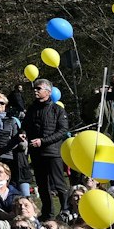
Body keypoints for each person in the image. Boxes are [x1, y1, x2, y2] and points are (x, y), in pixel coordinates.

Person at [21, 79, 72, 218]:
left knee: (59, 184)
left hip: (52, 152)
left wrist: (43, 141)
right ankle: (47, 213)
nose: (35, 91)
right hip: (36, 153)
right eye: (34, 88)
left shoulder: (58, 110)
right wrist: (23, 133)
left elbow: (63, 130)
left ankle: (65, 210)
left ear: (48, 92)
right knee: (42, 185)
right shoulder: (32, 109)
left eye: (38, 88)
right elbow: (25, 126)